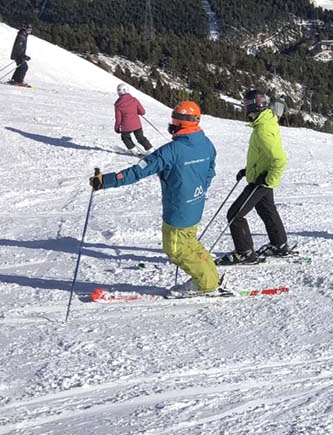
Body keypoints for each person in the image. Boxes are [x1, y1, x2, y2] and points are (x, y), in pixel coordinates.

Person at [89, 100, 223, 297]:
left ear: (180, 122)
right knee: (190, 242)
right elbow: (210, 170)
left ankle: (206, 284)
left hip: (177, 209)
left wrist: (105, 181)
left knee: (176, 249)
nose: (171, 124)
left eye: (173, 120)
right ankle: (209, 276)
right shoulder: (206, 143)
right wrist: (199, 189)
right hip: (196, 203)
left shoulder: (170, 151)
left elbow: (137, 171)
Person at [216, 90, 291, 266]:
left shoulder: (263, 130)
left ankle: (245, 253)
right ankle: (279, 245)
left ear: (254, 107)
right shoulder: (265, 122)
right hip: (259, 176)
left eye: (247, 107)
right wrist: (248, 170)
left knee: (235, 215)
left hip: (261, 180)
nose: (246, 112)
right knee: (267, 210)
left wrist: (268, 180)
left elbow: (279, 159)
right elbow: (262, 156)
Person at [114, 84, 152, 154]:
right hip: (137, 124)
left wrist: (117, 127)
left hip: (126, 126)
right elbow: (142, 112)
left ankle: (133, 150)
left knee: (125, 137)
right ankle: (150, 150)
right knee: (140, 138)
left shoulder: (118, 104)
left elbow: (118, 118)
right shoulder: (134, 100)